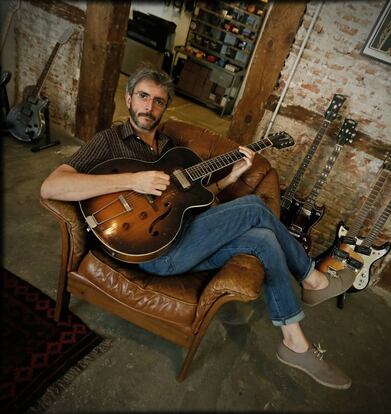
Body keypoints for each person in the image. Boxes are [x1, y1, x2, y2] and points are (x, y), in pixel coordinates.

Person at [40, 64, 356, 390]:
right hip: (149, 249)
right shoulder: (109, 141)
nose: (149, 107)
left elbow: (194, 202)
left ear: (166, 107)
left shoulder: (172, 151)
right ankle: (313, 278)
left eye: (159, 101)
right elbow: (51, 186)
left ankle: (295, 342)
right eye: (143, 96)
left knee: (264, 239)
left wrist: (232, 177)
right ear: (129, 97)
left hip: (185, 238)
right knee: (253, 206)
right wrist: (134, 179)